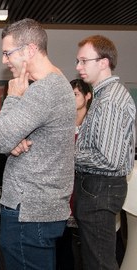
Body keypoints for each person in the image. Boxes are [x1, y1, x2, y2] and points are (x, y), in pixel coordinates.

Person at [0, 18, 76, 270]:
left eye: (7, 53)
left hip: (29, 211)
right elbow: (12, 139)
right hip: (41, 208)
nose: (4, 61)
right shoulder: (57, 83)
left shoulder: (43, 90)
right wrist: (13, 140)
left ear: (29, 50)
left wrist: (13, 97)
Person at [74, 35, 136, 270]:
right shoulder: (105, 95)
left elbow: (107, 159)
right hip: (98, 188)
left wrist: (68, 153)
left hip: (100, 188)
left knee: (99, 263)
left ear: (103, 62)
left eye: (83, 60)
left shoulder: (110, 99)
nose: (78, 67)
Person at [56, 79, 92, 270]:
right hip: (63, 186)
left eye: (76, 94)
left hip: (85, 186)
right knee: (62, 240)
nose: (71, 98)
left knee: (87, 244)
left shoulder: (92, 124)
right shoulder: (63, 123)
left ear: (87, 96)